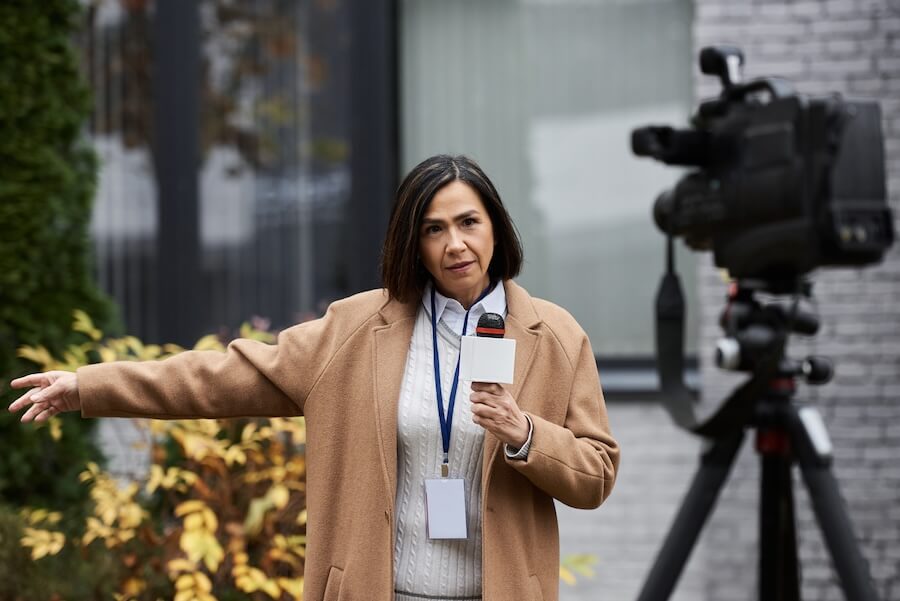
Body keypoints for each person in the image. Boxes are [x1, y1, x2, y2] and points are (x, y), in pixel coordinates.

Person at [9, 154, 619, 601]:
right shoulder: (357, 328)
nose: (455, 244)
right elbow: (219, 376)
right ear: (413, 243)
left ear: (496, 228)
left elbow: (597, 473)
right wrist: (89, 386)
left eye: (469, 222)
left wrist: (524, 434)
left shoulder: (556, 336)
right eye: (434, 229)